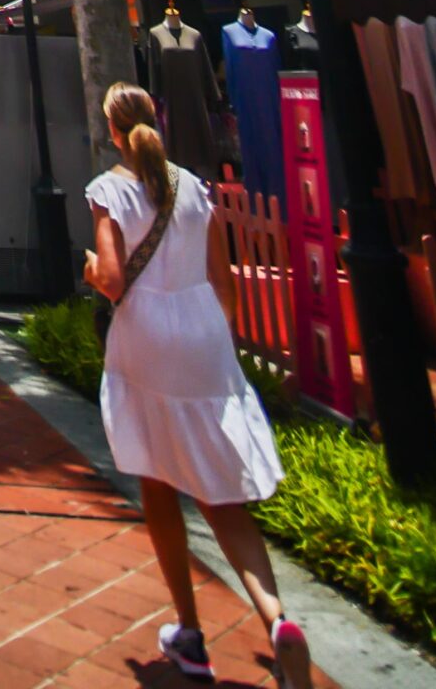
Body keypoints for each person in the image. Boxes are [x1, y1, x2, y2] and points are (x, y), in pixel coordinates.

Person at [85, 82, 312, 688]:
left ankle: (188, 631)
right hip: (202, 337)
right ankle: (279, 620)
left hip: (148, 341)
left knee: (158, 486)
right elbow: (222, 281)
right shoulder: (194, 188)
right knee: (222, 497)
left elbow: (109, 278)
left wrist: (89, 267)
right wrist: (220, 345)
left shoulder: (110, 190)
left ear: (113, 130)